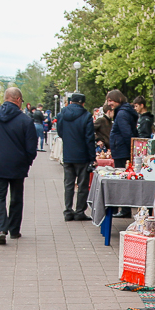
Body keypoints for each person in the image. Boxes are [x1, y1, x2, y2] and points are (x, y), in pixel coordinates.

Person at [0, 87, 38, 245]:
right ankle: (14, 230)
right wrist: (27, 162)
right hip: (18, 165)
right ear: (18, 100)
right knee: (16, 198)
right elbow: (32, 147)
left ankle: (1, 229)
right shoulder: (25, 120)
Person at [56, 92, 96, 222]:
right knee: (82, 185)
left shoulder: (62, 114)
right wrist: (92, 157)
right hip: (82, 155)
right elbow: (89, 138)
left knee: (68, 184)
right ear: (83, 103)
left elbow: (60, 132)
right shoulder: (86, 116)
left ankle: (68, 210)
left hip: (68, 154)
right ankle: (79, 211)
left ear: (71, 102)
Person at [107, 90, 138, 170]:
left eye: (110, 101)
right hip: (122, 151)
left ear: (118, 99)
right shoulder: (124, 112)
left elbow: (127, 134)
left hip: (122, 153)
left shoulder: (121, 114)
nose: (109, 104)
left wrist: (131, 151)